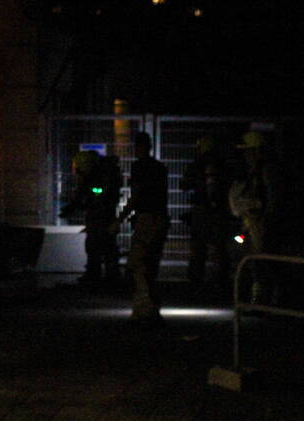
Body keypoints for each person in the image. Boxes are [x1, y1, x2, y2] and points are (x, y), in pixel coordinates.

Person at [119, 132, 169, 323]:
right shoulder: (160, 168)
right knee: (151, 265)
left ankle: (144, 308)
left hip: (147, 219)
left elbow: (136, 196)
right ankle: (153, 308)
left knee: (136, 265)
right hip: (161, 219)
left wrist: (120, 219)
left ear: (138, 147)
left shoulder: (139, 167)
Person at [228, 130, 282, 304]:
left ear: (257, 150)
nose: (245, 155)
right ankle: (256, 298)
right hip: (248, 224)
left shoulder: (266, 171)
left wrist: (260, 212)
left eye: (248, 150)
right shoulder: (254, 172)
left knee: (260, 261)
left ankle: (263, 300)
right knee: (244, 253)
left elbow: (271, 200)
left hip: (258, 224)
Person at [60, 150, 122, 287]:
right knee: (95, 246)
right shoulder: (94, 176)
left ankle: (107, 276)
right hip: (97, 216)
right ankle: (97, 274)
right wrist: (73, 206)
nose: (77, 173)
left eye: (79, 169)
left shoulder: (101, 177)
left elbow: (98, 192)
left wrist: (88, 193)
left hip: (103, 216)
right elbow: (83, 194)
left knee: (104, 246)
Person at [180, 135, 233, 288]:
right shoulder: (222, 164)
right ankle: (222, 278)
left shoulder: (197, 164)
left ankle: (196, 278)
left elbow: (184, 184)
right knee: (219, 245)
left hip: (201, 210)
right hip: (220, 210)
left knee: (198, 246)